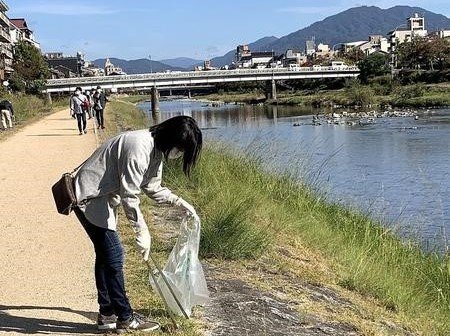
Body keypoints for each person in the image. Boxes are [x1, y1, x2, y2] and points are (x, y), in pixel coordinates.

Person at [72, 115, 202, 333]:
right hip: (89, 198)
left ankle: (106, 314)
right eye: (180, 149)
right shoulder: (138, 147)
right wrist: (142, 232)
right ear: (171, 139)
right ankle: (125, 317)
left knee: (106, 256)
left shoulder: (156, 151)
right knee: (114, 256)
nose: (179, 154)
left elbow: (153, 187)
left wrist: (180, 203)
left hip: (102, 199)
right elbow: (130, 195)